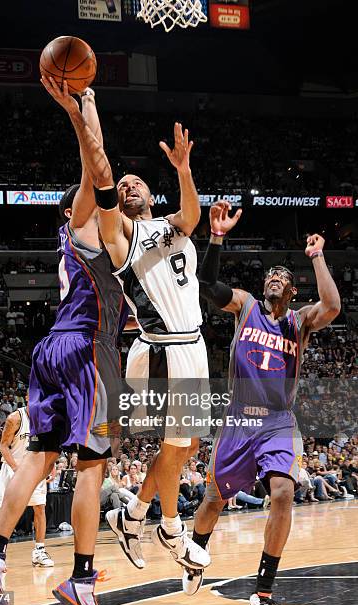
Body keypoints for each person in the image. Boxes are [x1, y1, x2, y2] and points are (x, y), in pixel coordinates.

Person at [0, 77, 128, 605]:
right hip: (85, 351)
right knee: (91, 463)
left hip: (52, 351)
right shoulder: (84, 222)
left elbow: (97, 164)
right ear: (72, 210)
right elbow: (95, 167)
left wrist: (91, 106)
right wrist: (76, 114)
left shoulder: (91, 242)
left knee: (38, 456)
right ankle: (80, 579)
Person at [183, 201, 341, 605]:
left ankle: (264, 592)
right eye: (270, 274)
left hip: (277, 423)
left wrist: (317, 256)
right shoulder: (246, 305)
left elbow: (333, 306)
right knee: (213, 502)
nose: (273, 278)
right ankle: (196, 550)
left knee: (284, 493)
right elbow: (208, 287)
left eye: (282, 277)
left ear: (292, 291)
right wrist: (216, 237)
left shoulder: (300, 321)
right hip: (238, 419)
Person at [96, 123, 210, 571]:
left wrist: (183, 168)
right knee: (176, 444)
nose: (129, 187)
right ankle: (169, 525)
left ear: (150, 194)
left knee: (186, 446)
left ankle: (133, 516)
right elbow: (107, 205)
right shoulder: (121, 238)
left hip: (193, 343)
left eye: (136, 182)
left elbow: (193, 216)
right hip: (162, 348)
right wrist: (100, 165)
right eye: (122, 187)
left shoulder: (170, 224)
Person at [0, 398, 53, 567]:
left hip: (34, 468)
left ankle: (39, 551)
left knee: (40, 508)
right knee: (5, 512)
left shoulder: (46, 418)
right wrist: (17, 469)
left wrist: (51, 464)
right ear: (28, 397)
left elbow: (49, 446)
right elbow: (3, 446)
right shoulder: (15, 418)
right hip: (13, 469)